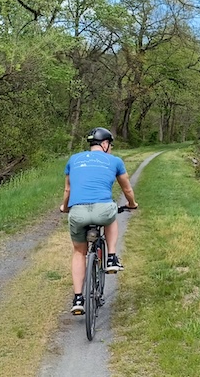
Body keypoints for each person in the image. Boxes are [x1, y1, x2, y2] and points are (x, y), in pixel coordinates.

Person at [59, 127, 138, 315]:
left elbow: (68, 191)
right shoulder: (115, 161)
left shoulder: (74, 160)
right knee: (111, 213)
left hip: (77, 212)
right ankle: (111, 257)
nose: (110, 149)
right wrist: (132, 204)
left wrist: (65, 207)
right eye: (109, 145)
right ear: (104, 144)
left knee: (79, 252)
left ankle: (78, 298)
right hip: (102, 210)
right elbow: (127, 190)